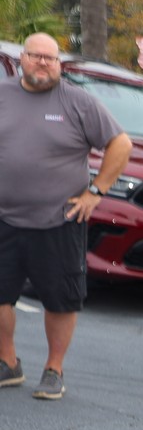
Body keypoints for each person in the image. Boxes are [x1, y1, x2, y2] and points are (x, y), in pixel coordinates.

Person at [0, 32, 132, 401]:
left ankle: (53, 369)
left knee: (60, 300)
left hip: (59, 220)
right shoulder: (4, 95)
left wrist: (96, 193)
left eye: (51, 58)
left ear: (60, 64)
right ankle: (7, 363)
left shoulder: (78, 103)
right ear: (21, 59)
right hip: (5, 218)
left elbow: (120, 144)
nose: (43, 63)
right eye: (36, 56)